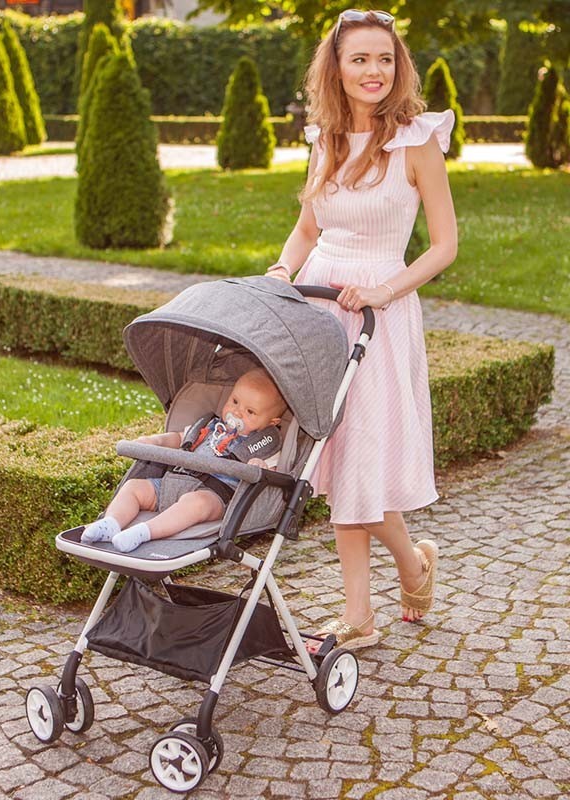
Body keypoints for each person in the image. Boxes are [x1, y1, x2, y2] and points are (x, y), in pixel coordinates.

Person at [267, 9, 457, 651]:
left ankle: (381, 596)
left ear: (398, 66)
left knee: (361, 459)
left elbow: (445, 246)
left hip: (380, 311)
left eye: (385, 59)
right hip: (322, 306)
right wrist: (281, 269)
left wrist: (385, 289)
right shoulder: (324, 139)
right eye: (360, 59)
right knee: (336, 457)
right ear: (337, 68)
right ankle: (386, 591)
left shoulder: (416, 141)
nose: (374, 70)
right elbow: (308, 228)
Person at [81, 368, 288, 553]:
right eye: (234, 401)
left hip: (214, 494)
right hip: (172, 483)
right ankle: (112, 523)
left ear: (272, 422)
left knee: (197, 504)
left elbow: (273, 477)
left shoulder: (262, 444)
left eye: (250, 412)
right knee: (134, 487)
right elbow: (179, 438)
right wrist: (155, 441)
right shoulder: (208, 426)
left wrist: (260, 467)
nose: (237, 412)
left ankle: (144, 532)